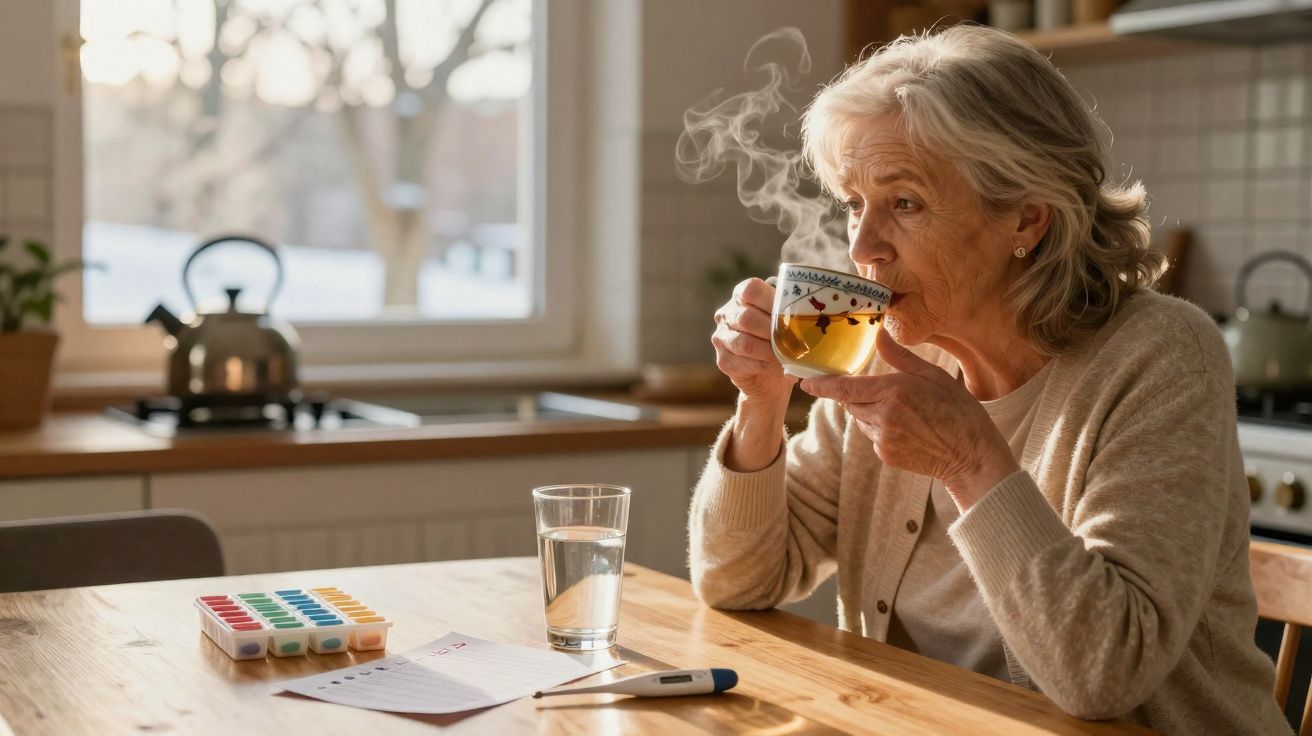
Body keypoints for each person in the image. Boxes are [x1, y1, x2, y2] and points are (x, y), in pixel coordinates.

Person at [691, 24, 1289, 735]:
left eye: (904, 203)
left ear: (1026, 220)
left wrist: (972, 462)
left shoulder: (1161, 356)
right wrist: (760, 408)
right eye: (856, 204)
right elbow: (738, 581)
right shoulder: (883, 347)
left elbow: (1103, 673)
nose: (862, 246)